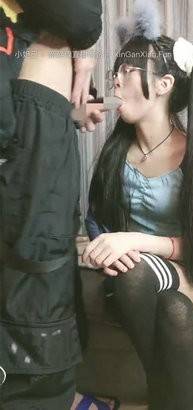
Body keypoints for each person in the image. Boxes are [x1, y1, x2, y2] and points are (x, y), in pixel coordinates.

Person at [82, 2, 193, 407]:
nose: (115, 80)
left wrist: (132, 241)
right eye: (116, 71)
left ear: (163, 85)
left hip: (187, 270)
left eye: (128, 71)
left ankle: (159, 391)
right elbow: (96, 219)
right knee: (174, 311)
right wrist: (106, 248)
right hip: (139, 275)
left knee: (147, 282)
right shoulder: (117, 151)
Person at [0, 0, 104, 407]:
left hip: (40, 109)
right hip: (32, 115)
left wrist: (76, 92)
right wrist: (87, 44)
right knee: (35, 266)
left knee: (42, 261)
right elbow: (80, 16)